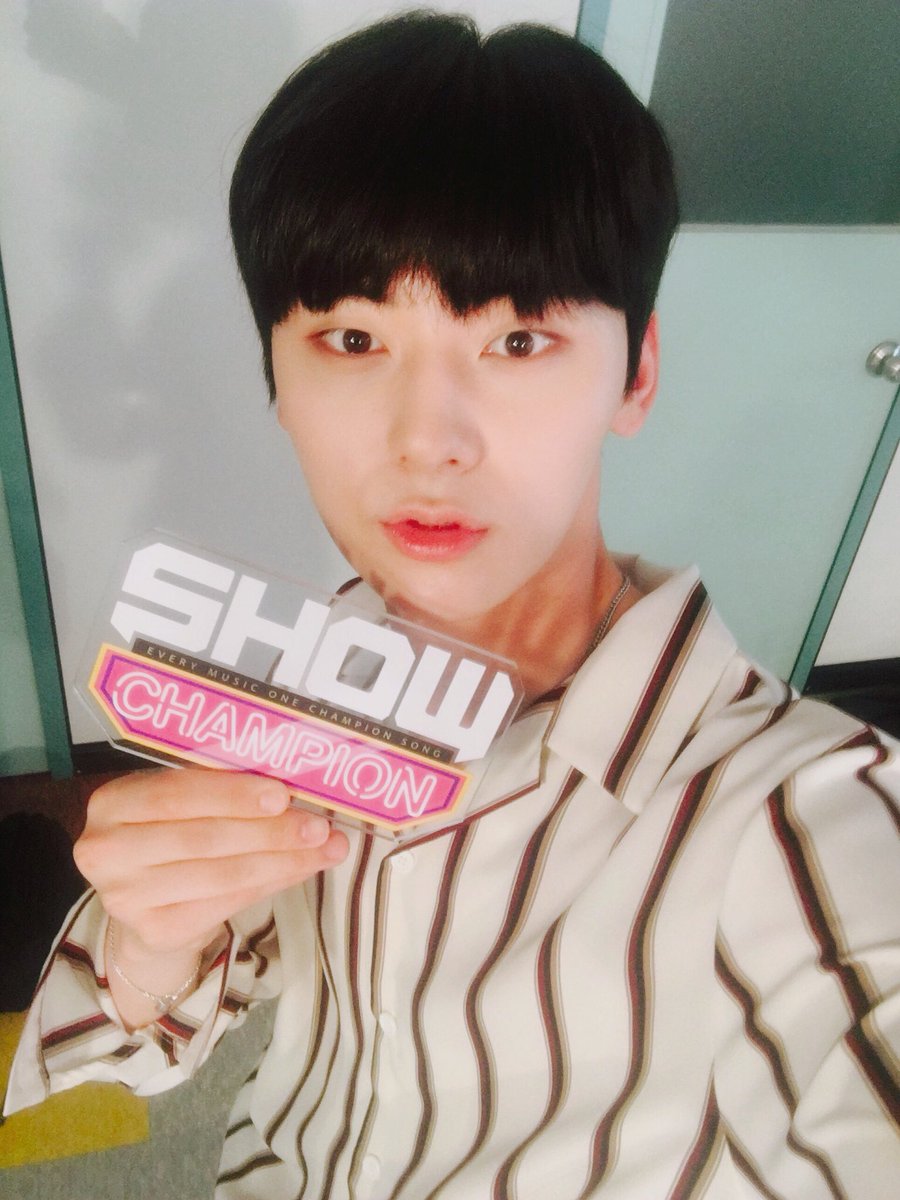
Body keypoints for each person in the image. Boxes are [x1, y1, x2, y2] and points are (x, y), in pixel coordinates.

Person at [4, 12, 899, 1198]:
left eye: (519, 340)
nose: (427, 440)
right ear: (276, 378)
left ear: (636, 374)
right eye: (352, 337)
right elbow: (130, 1050)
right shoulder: (314, 661)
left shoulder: (807, 818)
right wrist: (154, 938)